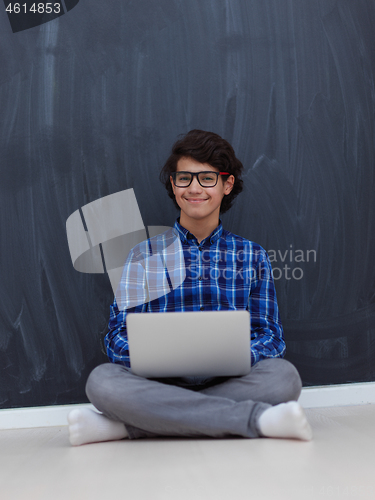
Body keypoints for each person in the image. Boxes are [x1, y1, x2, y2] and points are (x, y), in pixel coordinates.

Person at [68, 129, 312, 445]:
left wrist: (235, 357)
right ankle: (256, 420)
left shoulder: (252, 255)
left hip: (231, 381)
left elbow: (270, 337)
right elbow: (117, 335)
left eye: (207, 179)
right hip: (157, 385)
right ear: (173, 184)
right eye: (184, 178)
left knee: (284, 378)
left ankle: (130, 427)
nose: (194, 188)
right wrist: (146, 359)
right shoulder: (142, 255)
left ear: (227, 185)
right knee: (102, 382)